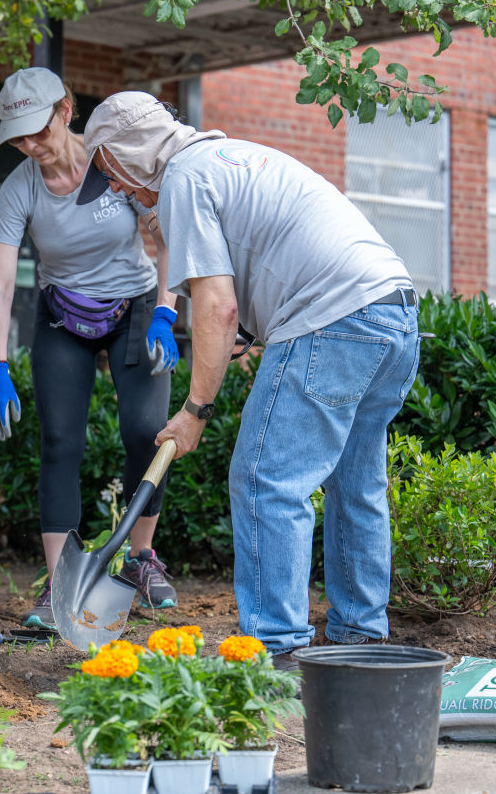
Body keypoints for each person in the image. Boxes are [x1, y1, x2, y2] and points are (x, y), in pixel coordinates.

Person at [76, 92, 421, 669]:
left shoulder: (183, 176)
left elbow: (216, 307)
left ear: (133, 152)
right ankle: (361, 638)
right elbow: (271, 258)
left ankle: (278, 652)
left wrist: (195, 410)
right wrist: (254, 330)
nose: (114, 189)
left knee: (265, 480)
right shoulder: (231, 156)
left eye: (110, 172)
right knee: (355, 480)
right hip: (393, 312)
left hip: (331, 318)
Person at [0, 67, 180, 630]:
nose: (29, 145)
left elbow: (164, 239)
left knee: (145, 431)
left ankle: (142, 558)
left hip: (134, 310)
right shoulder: (19, 187)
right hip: (64, 317)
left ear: (66, 110)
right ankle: (61, 582)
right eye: (17, 137)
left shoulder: (111, 161)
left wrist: (166, 310)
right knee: (59, 441)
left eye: (37, 130)